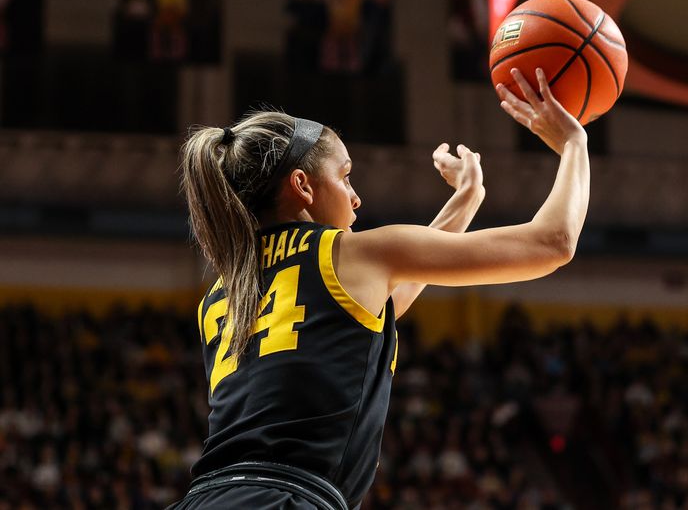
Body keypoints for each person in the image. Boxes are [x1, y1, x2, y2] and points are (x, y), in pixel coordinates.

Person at [168, 67, 590, 509]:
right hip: (285, 500)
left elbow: (385, 298)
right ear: (302, 186)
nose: (356, 197)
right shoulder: (352, 252)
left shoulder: (224, 289)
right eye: (345, 176)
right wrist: (574, 145)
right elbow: (553, 242)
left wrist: (466, 199)